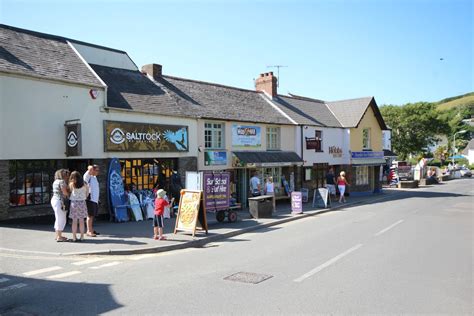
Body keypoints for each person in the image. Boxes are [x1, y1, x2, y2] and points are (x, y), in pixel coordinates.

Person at [68, 171, 89, 242]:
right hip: (82, 202)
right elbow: (87, 193)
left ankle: (74, 237)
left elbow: (70, 191)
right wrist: (83, 197)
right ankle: (82, 236)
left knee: (74, 221)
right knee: (82, 220)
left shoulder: (71, 184)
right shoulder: (85, 184)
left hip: (74, 203)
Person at [51, 169, 70, 242]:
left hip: (55, 200)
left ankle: (58, 235)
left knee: (58, 218)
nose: (67, 176)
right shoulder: (62, 182)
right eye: (66, 174)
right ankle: (59, 237)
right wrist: (70, 194)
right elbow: (64, 192)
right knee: (61, 219)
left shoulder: (55, 181)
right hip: (60, 201)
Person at [84, 165, 100, 237]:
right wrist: (91, 168)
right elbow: (89, 168)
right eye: (96, 170)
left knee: (92, 215)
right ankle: (89, 231)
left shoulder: (94, 177)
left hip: (95, 200)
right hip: (90, 199)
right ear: (92, 170)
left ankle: (91, 229)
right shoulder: (88, 176)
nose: (98, 172)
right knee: (90, 215)